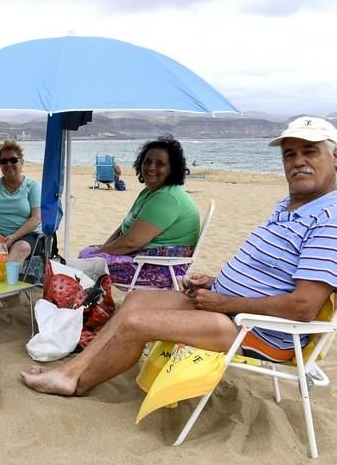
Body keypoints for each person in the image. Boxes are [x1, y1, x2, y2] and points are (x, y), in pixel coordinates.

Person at [22, 116, 337, 397]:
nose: (298, 162)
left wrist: (227, 303)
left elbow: (303, 307)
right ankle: (70, 372)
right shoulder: (288, 205)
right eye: (289, 154)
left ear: (334, 158)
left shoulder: (329, 217)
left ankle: (75, 382)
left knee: (134, 323)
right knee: (135, 301)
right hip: (226, 307)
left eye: (310, 152)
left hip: (254, 329)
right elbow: (270, 273)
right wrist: (216, 283)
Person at [78, 136, 200, 288]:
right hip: (142, 258)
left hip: (158, 268)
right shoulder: (149, 192)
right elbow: (122, 229)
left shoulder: (167, 198)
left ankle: (89, 306)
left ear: (172, 169)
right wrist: (102, 249)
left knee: (86, 264)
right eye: (147, 161)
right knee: (87, 254)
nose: (151, 167)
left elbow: (131, 242)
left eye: (160, 164)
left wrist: (100, 253)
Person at [0, 139, 42, 265]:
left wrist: (14, 237)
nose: (8, 164)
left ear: (22, 162)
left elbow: (36, 218)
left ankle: (4, 280)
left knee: (21, 248)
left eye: (13, 160)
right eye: (4, 161)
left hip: (24, 236)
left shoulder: (32, 187)